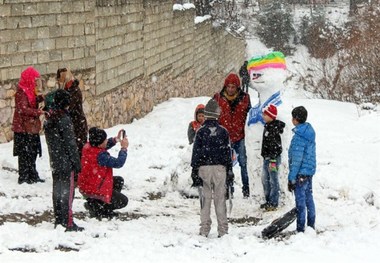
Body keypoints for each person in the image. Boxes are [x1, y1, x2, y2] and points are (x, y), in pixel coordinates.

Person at [191, 99, 233, 238]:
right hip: (220, 168)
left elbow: (196, 152)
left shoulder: (200, 132)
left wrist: (194, 169)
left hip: (204, 168)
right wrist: (229, 170)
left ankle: (204, 228)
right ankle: (223, 229)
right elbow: (228, 152)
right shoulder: (223, 132)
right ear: (217, 115)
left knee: (205, 199)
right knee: (220, 199)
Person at [44, 89, 84, 231]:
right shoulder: (64, 119)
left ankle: (59, 219)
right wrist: (77, 163)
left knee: (57, 190)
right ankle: (68, 221)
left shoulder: (49, 119)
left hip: (55, 160)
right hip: (66, 161)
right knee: (68, 192)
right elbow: (70, 144)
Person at [78, 127, 129, 219]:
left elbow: (102, 145)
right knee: (123, 201)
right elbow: (118, 163)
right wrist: (124, 149)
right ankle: (101, 210)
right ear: (99, 143)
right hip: (94, 189)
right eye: (105, 140)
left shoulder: (88, 146)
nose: (106, 141)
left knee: (118, 180)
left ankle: (98, 204)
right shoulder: (101, 156)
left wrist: (115, 140)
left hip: (88, 185)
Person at [213, 73, 251, 198]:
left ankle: (247, 190)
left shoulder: (244, 98)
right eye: (228, 86)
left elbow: (249, 116)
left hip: (240, 136)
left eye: (233, 87)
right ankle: (228, 190)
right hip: (224, 138)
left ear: (237, 87)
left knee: (244, 164)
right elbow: (212, 116)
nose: (230, 89)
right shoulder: (218, 99)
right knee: (226, 166)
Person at [12, 66, 46, 184]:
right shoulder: (21, 91)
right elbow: (23, 109)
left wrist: (39, 99)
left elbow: (30, 104)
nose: (36, 82)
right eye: (34, 79)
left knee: (33, 151)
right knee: (25, 153)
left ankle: (32, 174)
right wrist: (38, 112)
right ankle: (24, 176)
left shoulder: (31, 91)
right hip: (23, 128)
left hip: (31, 127)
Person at [287, 106, 316, 233]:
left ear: (296, 119)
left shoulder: (300, 136)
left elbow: (297, 160)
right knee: (309, 199)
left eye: (293, 117)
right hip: (308, 172)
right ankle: (311, 225)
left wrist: (292, 178)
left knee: (300, 203)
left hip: (300, 174)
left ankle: (300, 229)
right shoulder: (308, 132)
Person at [56, 68, 88, 157]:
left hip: (77, 125)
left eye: (61, 79)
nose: (60, 82)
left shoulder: (74, 90)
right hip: (71, 126)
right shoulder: (67, 89)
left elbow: (68, 107)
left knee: (78, 153)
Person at [260, 104, 285, 211]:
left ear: (271, 116)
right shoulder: (268, 126)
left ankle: (274, 203)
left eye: (265, 114)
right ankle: (268, 200)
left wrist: (273, 159)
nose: (263, 116)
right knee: (265, 179)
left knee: (273, 180)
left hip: (272, 159)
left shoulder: (273, 129)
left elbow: (275, 146)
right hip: (267, 158)